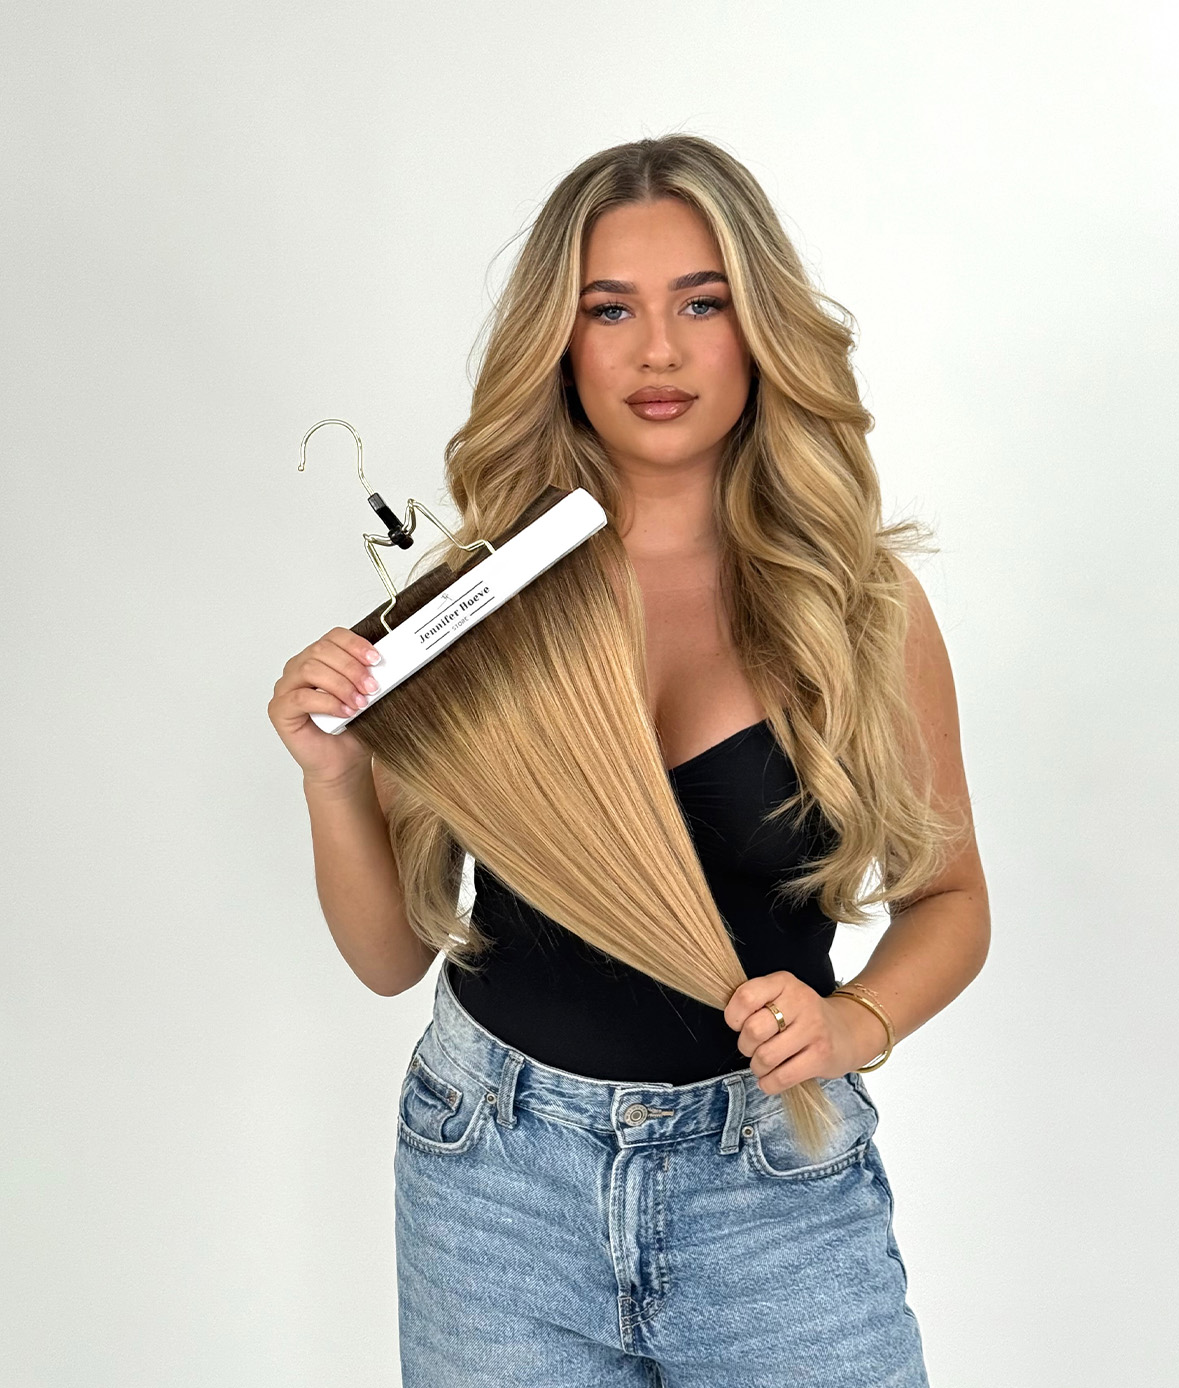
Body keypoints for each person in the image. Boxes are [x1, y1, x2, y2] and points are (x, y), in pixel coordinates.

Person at [267, 135, 991, 1386]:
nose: (658, 351)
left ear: (758, 328)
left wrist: (851, 1022)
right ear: (562, 342)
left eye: (701, 304)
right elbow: (389, 960)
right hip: (493, 1183)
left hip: (771, 1183)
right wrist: (331, 776)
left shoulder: (858, 606)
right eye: (611, 310)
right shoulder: (478, 604)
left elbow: (953, 902)